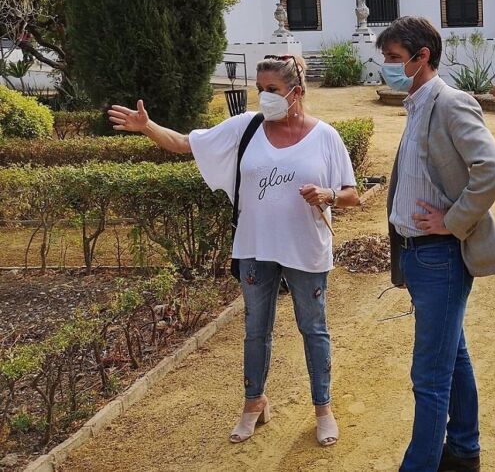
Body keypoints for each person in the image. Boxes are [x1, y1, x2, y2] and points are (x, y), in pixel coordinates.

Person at [107, 54, 360, 446]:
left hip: (305, 248)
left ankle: (323, 409)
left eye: (272, 89)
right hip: (254, 248)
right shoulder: (246, 127)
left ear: (296, 92)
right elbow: (185, 144)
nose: (264, 97)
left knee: (313, 329)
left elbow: (351, 194)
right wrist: (147, 127)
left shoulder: (325, 136)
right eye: (259, 89)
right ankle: (254, 403)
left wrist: (327, 194)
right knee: (256, 330)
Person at [380, 16, 495, 472]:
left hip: (440, 257)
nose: (387, 66)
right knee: (452, 357)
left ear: (423, 57)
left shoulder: (451, 102)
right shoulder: (417, 105)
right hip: (418, 255)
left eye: (394, 58)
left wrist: (452, 221)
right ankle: (464, 450)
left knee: (429, 376)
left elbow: (494, 168)